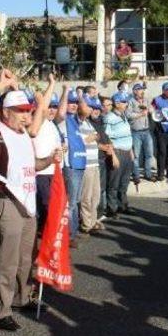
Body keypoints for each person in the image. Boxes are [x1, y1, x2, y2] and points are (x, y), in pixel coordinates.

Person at [0, 69, 60, 331]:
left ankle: (23, 297)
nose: (26, 114)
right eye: (21, 110)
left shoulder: (24, 133)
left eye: (28, 110)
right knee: (7, 260)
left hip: (26, 202)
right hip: (5, 201)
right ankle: (2, 310)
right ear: (5, 112)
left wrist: (50, 160)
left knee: (25, 256)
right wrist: (1, 85)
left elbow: (31, 164)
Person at [57, 87, 90, 248]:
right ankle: (69, 235)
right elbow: (61, 112)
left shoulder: (76, 119)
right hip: (70, 165)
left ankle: (73, 231)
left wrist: (79, 96)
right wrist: (65, 92)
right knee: (71, 202)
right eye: (70, 103)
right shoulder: (63, 120)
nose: (74, 105)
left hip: (81, 164)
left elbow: (85, 111)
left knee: (75, 201)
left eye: (74, 103)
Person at [31, 75, 62, 232]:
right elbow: (43, 108)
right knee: (45, 206)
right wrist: (52, 84)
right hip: (41, 172)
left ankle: (49, 237)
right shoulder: (38, 121)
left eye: (54, 107)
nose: (52, 109)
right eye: (50, 106)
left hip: (54, 172)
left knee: (54, 207)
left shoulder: (51, 124)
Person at [78, 95, 108, 234]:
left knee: (96, 195)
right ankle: (86, 224)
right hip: (86, 165)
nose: (91, 110)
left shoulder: (89, 123)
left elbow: (96, 138)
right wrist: (91, 138)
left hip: (94, 163)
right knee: (86, 196)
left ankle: (93, 220)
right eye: (89, 107)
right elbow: (80, 141)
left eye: (94, 107)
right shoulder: (77, 122)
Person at [104, 92, 135, 216]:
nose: (126, 104)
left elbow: (128, 135)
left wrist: (131, 151)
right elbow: (107, 138)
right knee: (114, 182)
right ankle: (112, 208)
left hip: (127, 152)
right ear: (117, 103)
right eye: (124, 102)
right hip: (117, 152)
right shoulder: (109, 117)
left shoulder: (124, 116)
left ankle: (123, 205)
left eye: (126, 101)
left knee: (124, 181)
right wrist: (113, 156)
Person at [127, 83, 155, 184]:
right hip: (136, 132)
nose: (141, 91)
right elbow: (128, 115)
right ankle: (136, 176)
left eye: (142, 89)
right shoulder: (130, 101)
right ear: (135, 91)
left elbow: (152, 109)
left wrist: (151, 110)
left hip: (147, 131)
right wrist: (140, 114)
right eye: (139, 89)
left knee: (149, 154)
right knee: (136, 156)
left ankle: (148, 174)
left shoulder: (146, 100)